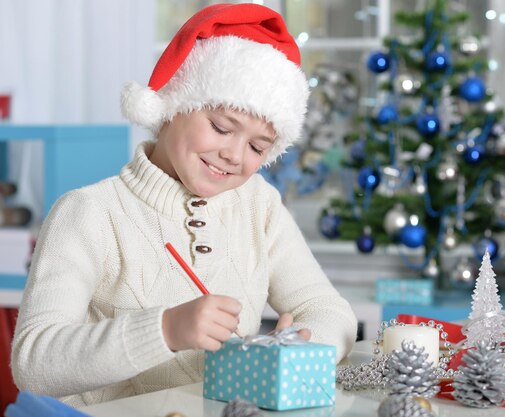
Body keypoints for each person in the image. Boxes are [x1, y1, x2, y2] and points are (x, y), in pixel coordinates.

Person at [11, 3, 357, 407]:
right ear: (173, 104)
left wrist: (303, 346)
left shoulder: (258, 205)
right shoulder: (89, 213)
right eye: (222, 127)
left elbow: (324, 308)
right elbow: (33, 363)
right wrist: (164, 330)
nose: (233, 154)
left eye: (258, 146)